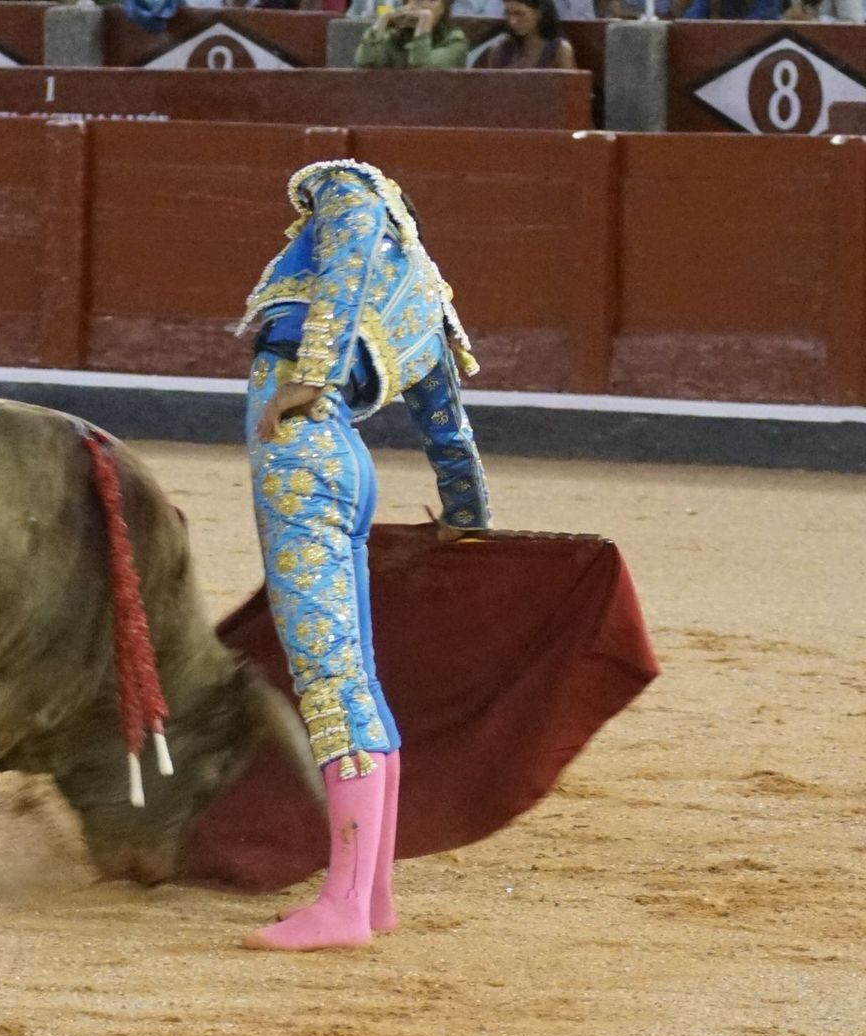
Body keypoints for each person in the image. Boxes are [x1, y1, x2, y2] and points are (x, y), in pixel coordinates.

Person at [236, 160, 491, 951]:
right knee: (356, 679)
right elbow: (450, 434)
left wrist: (311, 378)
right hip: (343, 462)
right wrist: (466, 520)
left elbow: (347, 238)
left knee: (330, 682)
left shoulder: (347, 191)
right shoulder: (424, 300)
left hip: (302, 459)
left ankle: (345, 908)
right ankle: (370, 896)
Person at [355, 0, 470, 70]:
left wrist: (424, 24)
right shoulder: (395, 36)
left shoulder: (455, 40)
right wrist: (382, 21)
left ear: (443, 9)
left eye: (432, 0)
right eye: (417, 0)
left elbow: (422, 71)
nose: (424, 5)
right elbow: (365, 61)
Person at [476, 0, 575, 70]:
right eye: (507, 13)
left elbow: (571, 90)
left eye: (519, 13)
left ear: (539, 13)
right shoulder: (498, 51)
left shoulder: (559, 51)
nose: (512, 21)